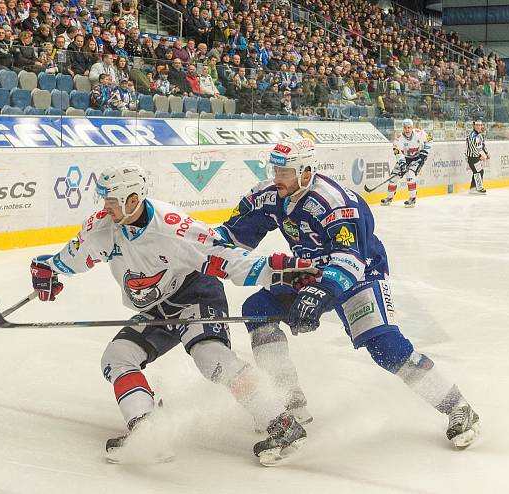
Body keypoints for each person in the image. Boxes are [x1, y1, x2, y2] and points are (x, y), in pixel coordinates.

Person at [28, 164, 318, 466]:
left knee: (211, 358)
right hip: (155, 308)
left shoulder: (172, 227)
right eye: (105, 200)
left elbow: (226, 257)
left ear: (132, 199)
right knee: (117, 356)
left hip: (195, 295)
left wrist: (279, 273)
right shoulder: (102, 226)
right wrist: (49, 268)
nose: (106, 208)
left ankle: (283, 425)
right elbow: (74, 256)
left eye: (112, 201)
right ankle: (146, 430)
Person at [216, 139, 481, 451]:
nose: (277, 177)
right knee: (258, 308)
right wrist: (195, 254)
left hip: (360, 272)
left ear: (306, 171)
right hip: (311, 268)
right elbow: (227, 236)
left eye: (285, 172)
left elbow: (349, 260)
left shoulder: (335, 201)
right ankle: (290, 399)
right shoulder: (269, 195)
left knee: (386, 347)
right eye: (275, 169)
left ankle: (457, 406)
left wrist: (319, 294)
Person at [381, 118, 432, 208]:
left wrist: (425, 152)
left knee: (410, 174)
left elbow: (430, 139)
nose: (407, 130)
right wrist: (402, 163)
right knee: (394, 177)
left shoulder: (419, 133)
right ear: (403, 128)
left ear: (412, 127)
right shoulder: (399, 138)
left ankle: (412, 198)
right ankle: (389, 197)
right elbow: (397, 151)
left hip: (417, 158)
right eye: (405, 128)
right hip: (405, 158)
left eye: (409, 127)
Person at [465, 120, 489, 194]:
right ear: (474, 126)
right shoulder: (471, 135)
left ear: (482, 126)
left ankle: (473, 188)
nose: (479, 127)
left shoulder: (481, 134)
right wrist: (479, 156)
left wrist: (486, 153)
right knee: (479, 171)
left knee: (477, 171)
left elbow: (482, 145)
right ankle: (478, 188)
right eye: (477, 125)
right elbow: (472, 148)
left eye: (480, 125)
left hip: (476, 157)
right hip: (472, 158)